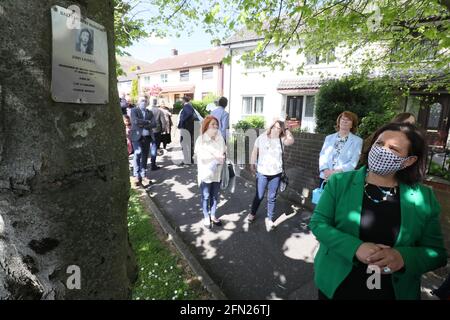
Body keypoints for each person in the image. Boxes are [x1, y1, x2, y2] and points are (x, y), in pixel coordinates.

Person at [309, 122, 448, 300]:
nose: (382, 150)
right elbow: (318, 223)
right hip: (338, 286)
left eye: (393, 149)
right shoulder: (340, 183)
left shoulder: (424, 197)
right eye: (379, 144)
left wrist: (402, 257)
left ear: (409, 161)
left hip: (392, 291)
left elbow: (436, 253)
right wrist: (355, 247)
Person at [247, 120, 295, 232]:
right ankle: (252, 213)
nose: (276, 129)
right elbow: (255, 151)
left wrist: (287, 130)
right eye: (275, 127)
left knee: (272, 197)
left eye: (279, 128)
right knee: (259, 195)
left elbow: (291, 141)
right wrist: (252, 163)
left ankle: (270, 219)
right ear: (271, 126)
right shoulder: (262, 138)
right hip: (262, 172)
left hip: (276, 174)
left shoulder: (281, 139)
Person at [194, 116, 226, 229]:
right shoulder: (201, 139)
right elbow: (202, 156)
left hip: (217, 172)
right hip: (206, 173)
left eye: (216, 125)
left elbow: (223, 151)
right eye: (213, 124)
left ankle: (213, 215)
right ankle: (206, 216)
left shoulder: (220, 138)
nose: (215, 127)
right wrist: (215, 156)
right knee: (206, 196)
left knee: (215, 196)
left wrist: (219, 156)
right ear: (206, 125)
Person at [318, 111, 363, 185]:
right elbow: (322, 156)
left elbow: (353, 163)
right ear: (339, 122)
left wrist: (334, 172)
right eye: (343, 119)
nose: (345, 121)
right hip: (325, 176)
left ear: (352, 125)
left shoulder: (358, 141)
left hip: (342, 178)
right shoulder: (329, 138)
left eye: (348, 120)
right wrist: (326, 170)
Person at [129, 96, 156, 187]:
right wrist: (147, 122)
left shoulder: (150, 112)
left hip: (147, 137)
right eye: (141, 101)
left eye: (145, 100)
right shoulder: (134, 110)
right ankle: (136, 175)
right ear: (138, 102)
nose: (143, 102)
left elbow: (154, 124)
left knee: (145, 155)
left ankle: (143, 175)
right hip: (137, 136)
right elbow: (135, 121)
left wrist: (144, 123)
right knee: (138, 153)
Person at [149, 99, 167, 171]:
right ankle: (153, 164)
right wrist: (163, 129)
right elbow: (163, 122)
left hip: (148, 131)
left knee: (149, 147)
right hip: (156, 131)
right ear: (157, 103)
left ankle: (145, 165)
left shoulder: (148, 110)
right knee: (154, 147)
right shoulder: (159, 111)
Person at [178, 96, 195, 164]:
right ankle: (189, 159)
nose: (181, 102)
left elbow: (188, 114)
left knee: (184, 143)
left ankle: (187, 159)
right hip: (189, 127)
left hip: (186, 128)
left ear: (184, 100)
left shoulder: (187, 106)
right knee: (188, 143)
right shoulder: (189, 106)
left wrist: (182, 121)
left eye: (181, 100)